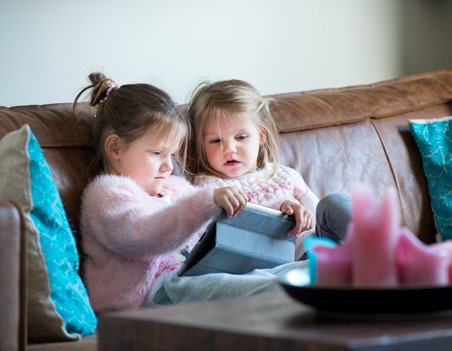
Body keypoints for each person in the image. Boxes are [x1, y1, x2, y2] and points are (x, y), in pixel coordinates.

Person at [74, 72, 310, 312]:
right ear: (116, 148)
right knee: (271, 287)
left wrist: (279, 215)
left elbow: (215, 233)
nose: (168, 166)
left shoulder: (175, 187)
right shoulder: (108, 193)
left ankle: (329, 273)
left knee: (293, 272)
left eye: (172, 155)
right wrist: (206, 202)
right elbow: (143, 235)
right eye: (157, 153)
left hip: (192, 278)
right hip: (151, 295)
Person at [187, 79, 352, 259]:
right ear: (201, 146)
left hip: (327, 245)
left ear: (261, 136)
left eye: (241, 137)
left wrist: (303, 214)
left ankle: (377, 247)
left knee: (333, 203)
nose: (229, 149)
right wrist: (215, 200)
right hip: (293, 261)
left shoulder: (285, 175)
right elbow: (203, 237)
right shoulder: (209, 186)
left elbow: (322, 218)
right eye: (216, 141)